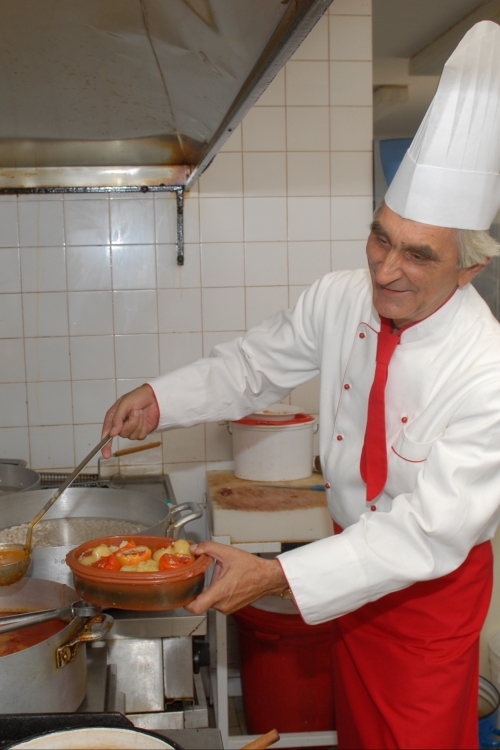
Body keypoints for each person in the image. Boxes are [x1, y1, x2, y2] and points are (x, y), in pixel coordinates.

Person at [102, 21, 500, 750]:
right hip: (346, 569)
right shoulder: (340, 296)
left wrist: (277, 575)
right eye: (380, 237)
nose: (385, 270)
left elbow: (425, 532)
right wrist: (162, 399)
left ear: (469, 268)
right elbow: (252, 366)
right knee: (357, 734)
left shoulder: (488, 370)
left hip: (428, 597)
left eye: (418, 255)